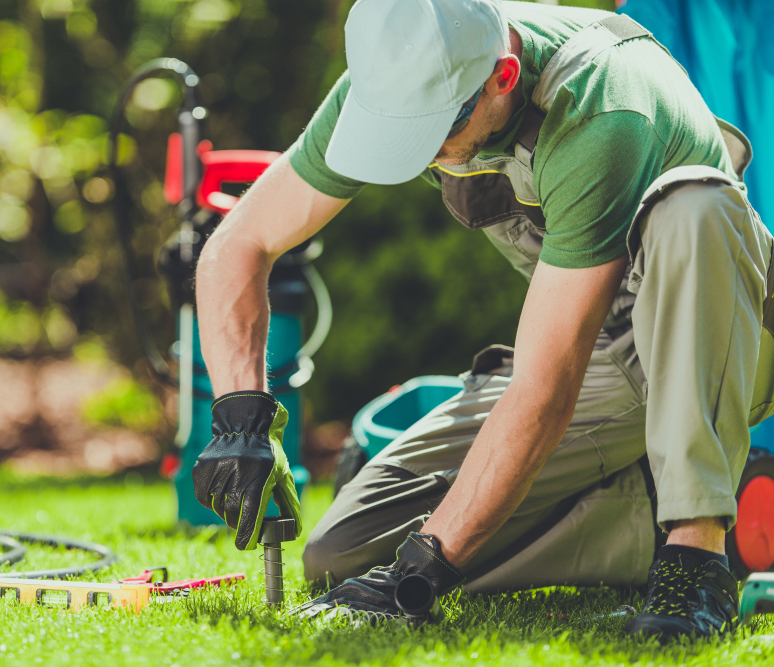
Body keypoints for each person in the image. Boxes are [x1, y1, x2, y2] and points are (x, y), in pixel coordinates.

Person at [190, 0, 774, 641]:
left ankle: (697, 552)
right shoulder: (396, 74)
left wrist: (425, 565)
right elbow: (237, 245)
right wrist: (239, 416)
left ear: (502, 75)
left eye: (439, 128)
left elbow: (545, 390)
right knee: (344, 553)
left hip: (717, 343)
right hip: (604, 353)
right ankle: (702, 502)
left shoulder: (602, 108)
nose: (425, 153)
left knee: (695, 206)